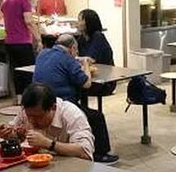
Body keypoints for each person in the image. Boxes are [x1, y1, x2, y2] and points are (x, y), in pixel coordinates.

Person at [31, 34, 118, 163]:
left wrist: (78, 59)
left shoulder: (43, 54)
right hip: (61, 103)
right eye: (76, 51)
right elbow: (86, 83)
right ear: (72, 48)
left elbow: (61, 63)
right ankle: (100, 154)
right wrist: (85, 63)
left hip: (39, 100)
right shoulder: (68, 59)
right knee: (96, 117)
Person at [0, 0, 43, 98]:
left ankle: (19, 98)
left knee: (16, 71)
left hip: (9, 43)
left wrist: (10, 22)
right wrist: (38, 39)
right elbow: (29, 21)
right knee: (28, 71)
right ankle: (30, 98)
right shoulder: (24, 0)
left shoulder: (6, 0)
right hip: (23, 42)